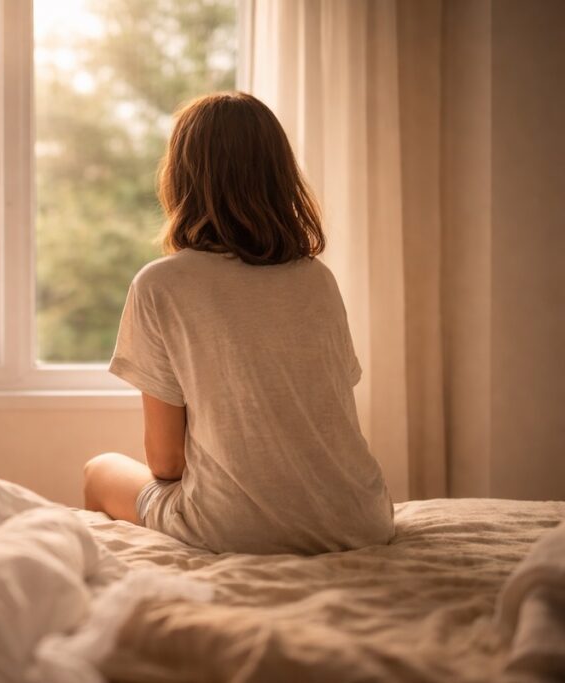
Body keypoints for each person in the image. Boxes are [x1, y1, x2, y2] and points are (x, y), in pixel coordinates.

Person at [83, 92, 394, 555]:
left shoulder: (161, 284)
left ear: (180, 179)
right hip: (361, 520)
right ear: (280, 177)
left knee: (99, 469)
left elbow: (166, 463)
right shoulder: (317, 280)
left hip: (234, 528)